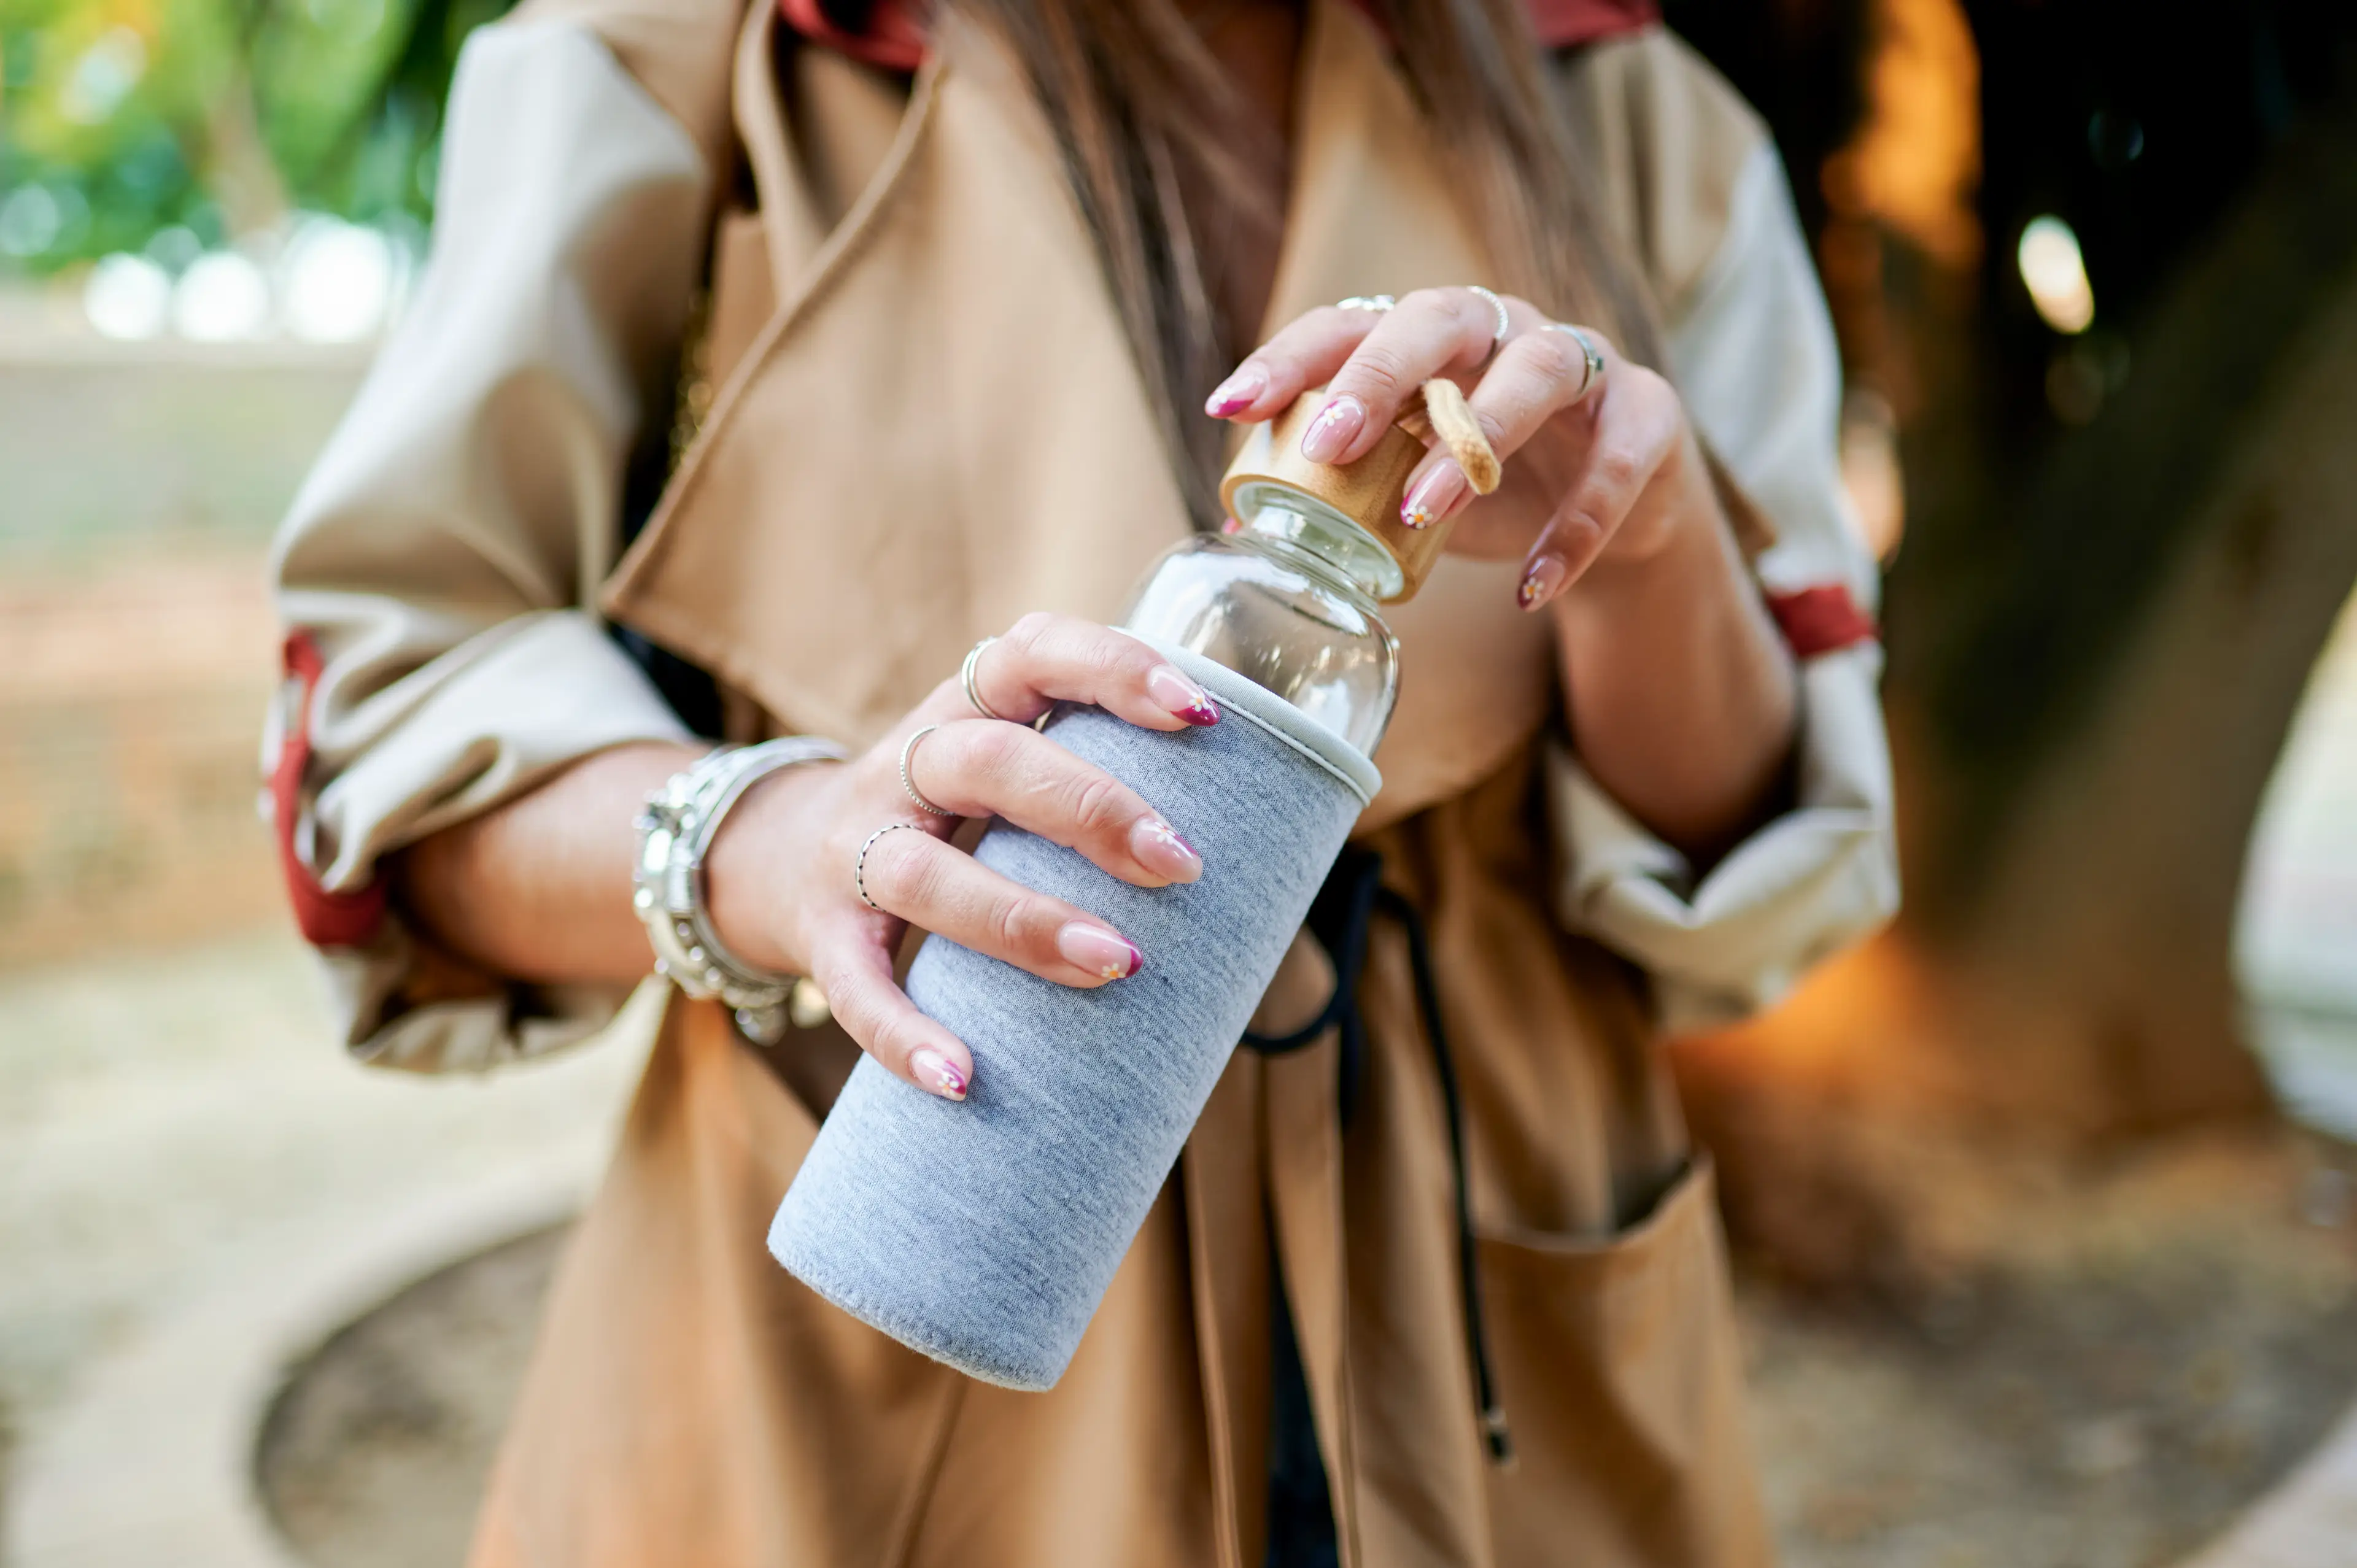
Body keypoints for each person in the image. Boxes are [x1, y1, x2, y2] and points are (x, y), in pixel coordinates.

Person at [266, 0, 1897, 1561]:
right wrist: (791, 841)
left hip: (1492, 1323)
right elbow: (393, 739)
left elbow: (1763, 868)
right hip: (876, 1298)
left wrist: (1647, 549)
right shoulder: (683, 63)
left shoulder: (1637, 119)